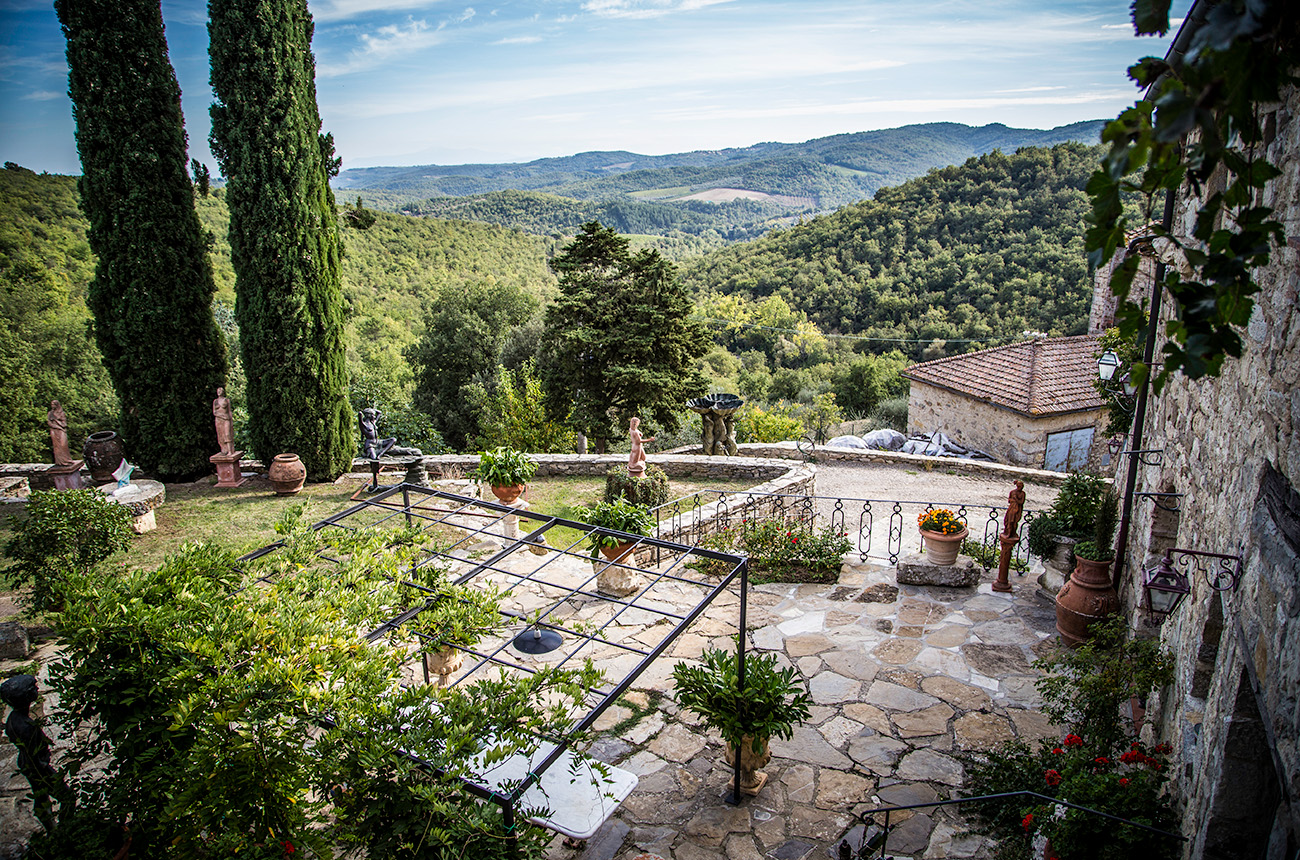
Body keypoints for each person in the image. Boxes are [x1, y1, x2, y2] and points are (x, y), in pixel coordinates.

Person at [1, 674, 74, 831]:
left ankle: (51, 828)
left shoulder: (13, 719)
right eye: (34, 688)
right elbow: (35, 750)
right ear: (28, 696)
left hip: (26, 762)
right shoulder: (27, 727)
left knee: (41, 796)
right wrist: (43, 763)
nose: (38, 689)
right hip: (37, 766)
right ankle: (65, 829)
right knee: (67, 796)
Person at [46, 400, 72, 466]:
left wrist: (56, 421)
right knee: (57, 447)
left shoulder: (61, 413)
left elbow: (64, 424)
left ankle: (66, 460)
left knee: (63, 445)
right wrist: (56, 426)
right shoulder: (50, 413)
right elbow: (49, 423)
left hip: (61, 431)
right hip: (54, 431)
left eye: (53, 404)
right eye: (51, 404)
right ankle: (59, 461)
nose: (52, 406)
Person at [213, 387, 235, 455]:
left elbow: (229, 411)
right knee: (220, 435)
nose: (219, 392)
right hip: (219, 420)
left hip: (226, 419)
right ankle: (224, 449)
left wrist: (231, 421)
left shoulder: (226, 400)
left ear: (223, 392)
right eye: (218, 390)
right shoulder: (215, 401)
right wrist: (222, 416)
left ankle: (230, 450)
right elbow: (214, 412)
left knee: (227, 434)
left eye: (220, 390)